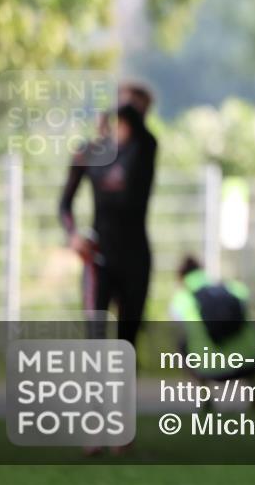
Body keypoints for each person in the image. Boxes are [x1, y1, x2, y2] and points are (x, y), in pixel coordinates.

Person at [59, 100, 157, 347]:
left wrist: (121, 103)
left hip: (135, 259)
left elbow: (133, 116)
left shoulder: (143, 149)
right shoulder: (89, 154)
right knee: (96, 340)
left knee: (128, 343)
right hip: (99, 259)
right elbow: (64, 204)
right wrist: (73, 235)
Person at [169, 255, 255, 383]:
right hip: (249, 363)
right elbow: (247, 299)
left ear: (180, 277)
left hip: (209, 368)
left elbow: (178, 323)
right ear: (202, 270)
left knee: (183, 343)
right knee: (254, 334)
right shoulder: (230, 287)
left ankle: (204, 396)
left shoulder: (181, 299)